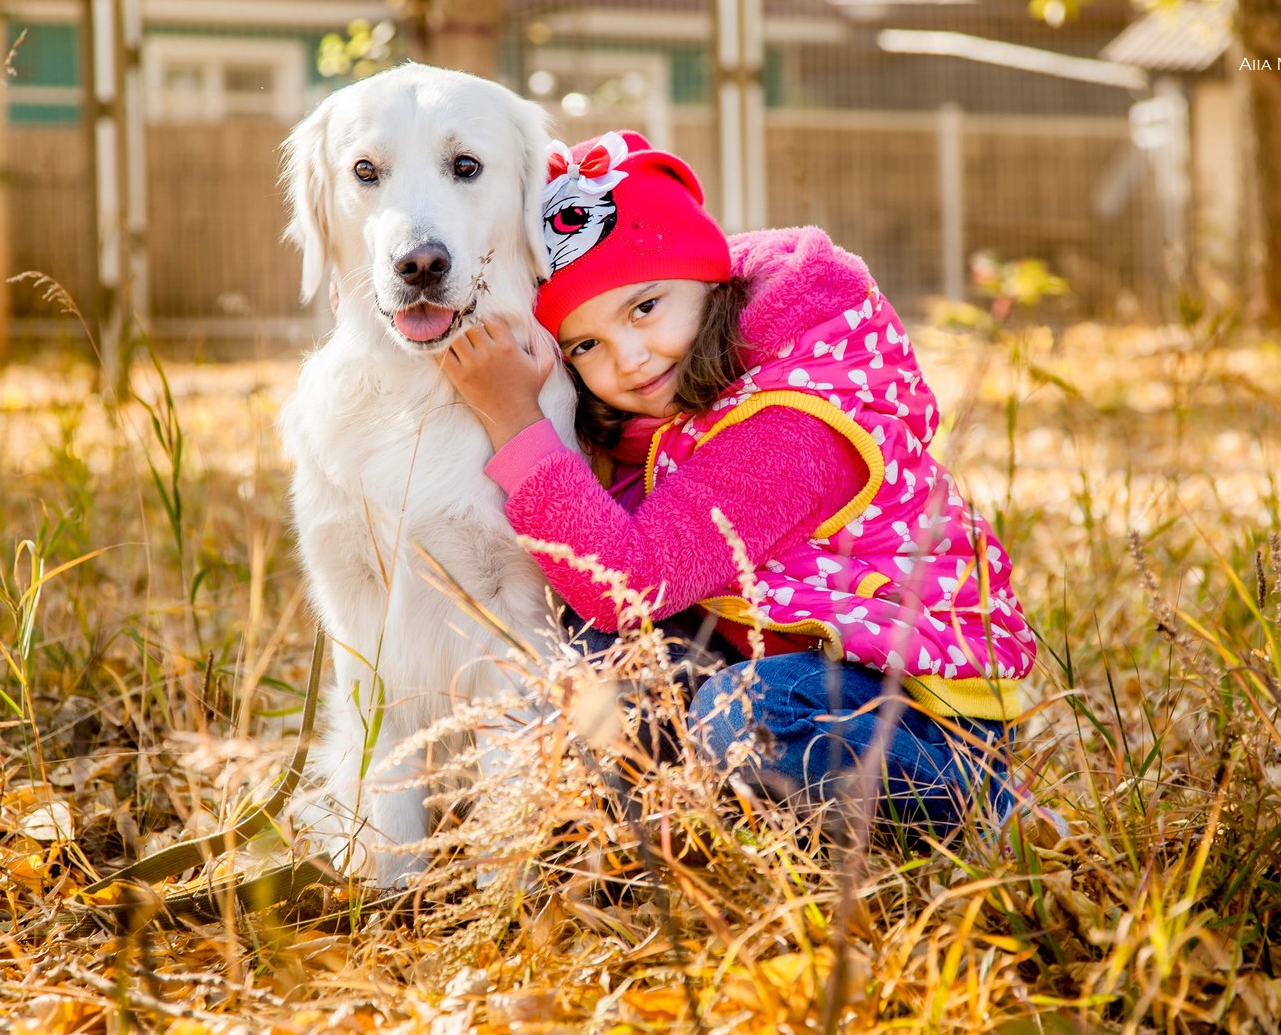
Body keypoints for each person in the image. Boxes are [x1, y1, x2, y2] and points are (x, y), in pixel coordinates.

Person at [439, 130, 1042, 840]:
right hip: (787, 657)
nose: (629, 358)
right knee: (606, 653)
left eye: (644, 307)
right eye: (585, 345)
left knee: (750, 714)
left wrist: (513, 418)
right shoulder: (656, 416)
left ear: (708, 278)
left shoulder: (792, 423)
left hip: (915, 717)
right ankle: (643, 831)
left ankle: (986, 812)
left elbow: (628, 581)